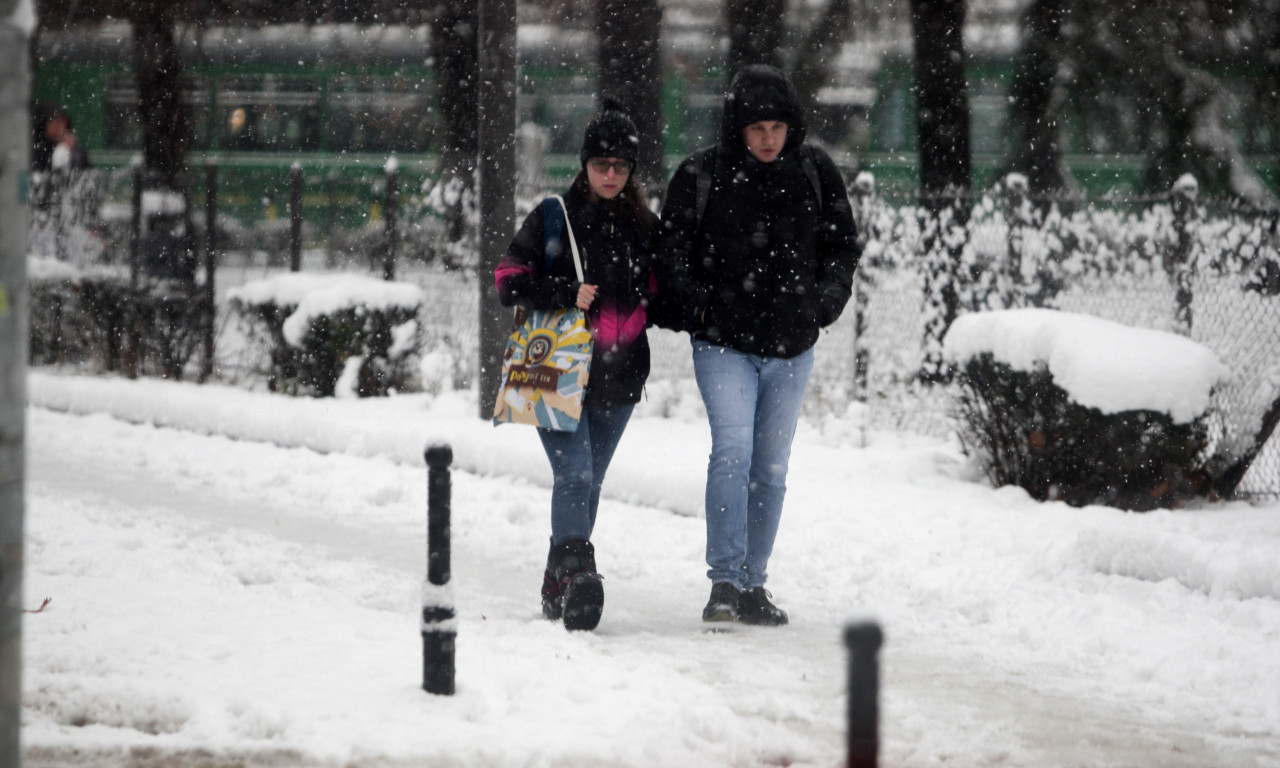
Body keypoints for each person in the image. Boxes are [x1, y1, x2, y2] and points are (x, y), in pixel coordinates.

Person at [656, 65, 861, 626]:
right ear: (737, 128)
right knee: (733, 450)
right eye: (756, 127)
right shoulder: (701, 174)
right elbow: (670, 250)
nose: (767, 138)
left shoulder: (816, 172)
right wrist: (701, 306)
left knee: (770, 467)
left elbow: (842, 248)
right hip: (724, 345)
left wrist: (823, 304)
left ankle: (753, 584)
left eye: (776, 126)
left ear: (790, 125)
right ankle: (723, 580)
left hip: (793, 348)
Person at [494, 98, 659, 632]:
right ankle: (575, 574)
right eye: (601, 165)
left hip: (621, 376)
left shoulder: (643, 227)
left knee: (587, 484)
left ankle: (555, 581)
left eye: (621, 167)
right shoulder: (552, 218)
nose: (611, 175)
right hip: (557, 372)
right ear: (584, 165)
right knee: (576, 473)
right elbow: (506, 280)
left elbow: (664, 291)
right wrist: (566, 291)